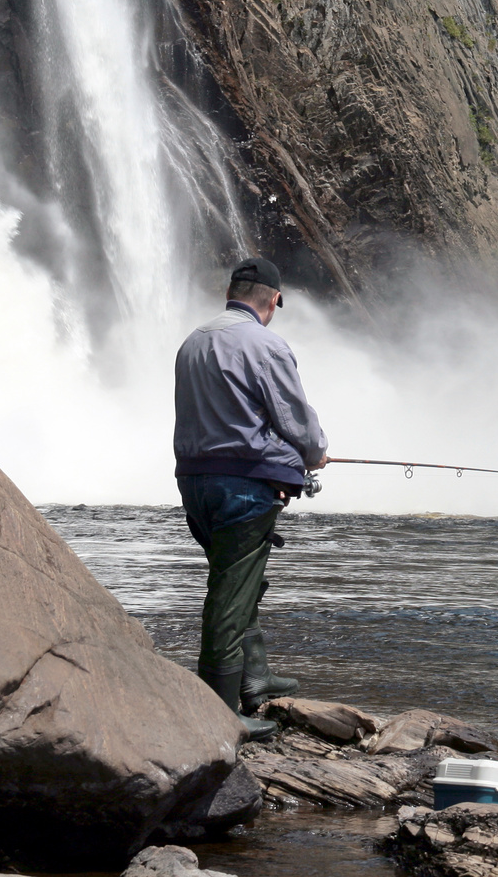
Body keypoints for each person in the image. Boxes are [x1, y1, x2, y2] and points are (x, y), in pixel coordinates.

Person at [174, 257, 328, 740]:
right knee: (229, 594)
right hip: (242, 488)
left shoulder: (192, 341)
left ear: (231, 291)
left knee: (239, 582)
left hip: (195, 483)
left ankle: (255, 679)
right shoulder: (265, 344)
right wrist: (315, 453)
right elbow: (293, 417)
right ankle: (220, 715)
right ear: (274, 300)